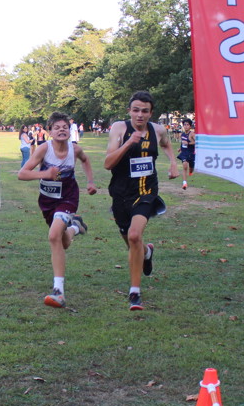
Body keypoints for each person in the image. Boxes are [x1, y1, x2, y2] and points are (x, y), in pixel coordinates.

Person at [104, 91, 178, 310]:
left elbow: (166, 144)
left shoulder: (158, 130)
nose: (140, 115)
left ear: (150, 113)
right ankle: (147, 252)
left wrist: (173, 163)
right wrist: (128, 143)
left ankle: (135, 292)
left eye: (145, 111)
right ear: (129, 111)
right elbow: (108, 163)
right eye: (136, 110)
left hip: (146, 190)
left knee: (134, 235)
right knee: (129, 238)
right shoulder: (119, 128)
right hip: (120, 191)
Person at [18, 112, 97, 308]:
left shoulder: (75, 149)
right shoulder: (44, 149)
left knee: (53, 236)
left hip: (68, 198)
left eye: (65, 127)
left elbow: (85, 160)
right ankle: (75, 227)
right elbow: (22, 174)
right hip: (47, 201)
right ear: (50, 132)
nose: (62, 130)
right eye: (57, 127)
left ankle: (58, 292)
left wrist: (90, 181)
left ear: (70, 131)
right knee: (63, 241)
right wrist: (45, 173)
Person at [176, 118, 195, 190]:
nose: (186, 126)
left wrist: (188, 143)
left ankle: (191, 172)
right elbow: (182, 143)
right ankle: (184, 183)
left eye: (187, 125)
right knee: (184, 166)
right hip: (184, 153)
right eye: (185, 125)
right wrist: (180, 148)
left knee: (191, 168)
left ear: (190, 126)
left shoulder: (192, 134)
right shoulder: (182, 134)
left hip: (191, 153)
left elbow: (197, 142)